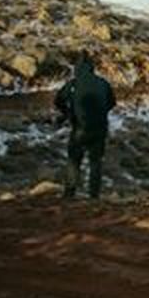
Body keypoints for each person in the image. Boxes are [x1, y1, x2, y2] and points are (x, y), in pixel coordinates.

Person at [54, 53, 116, 199]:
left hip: (80, 128)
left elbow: (58, 100)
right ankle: (94, 196)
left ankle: (69, 193)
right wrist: (101, 113)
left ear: (77, 68)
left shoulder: (74, 84)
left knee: (74, 160)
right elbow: (112, 102)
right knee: (95, 162)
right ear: (92, 68)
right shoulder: (103, 83)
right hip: (100, 128)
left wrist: (68, 113)